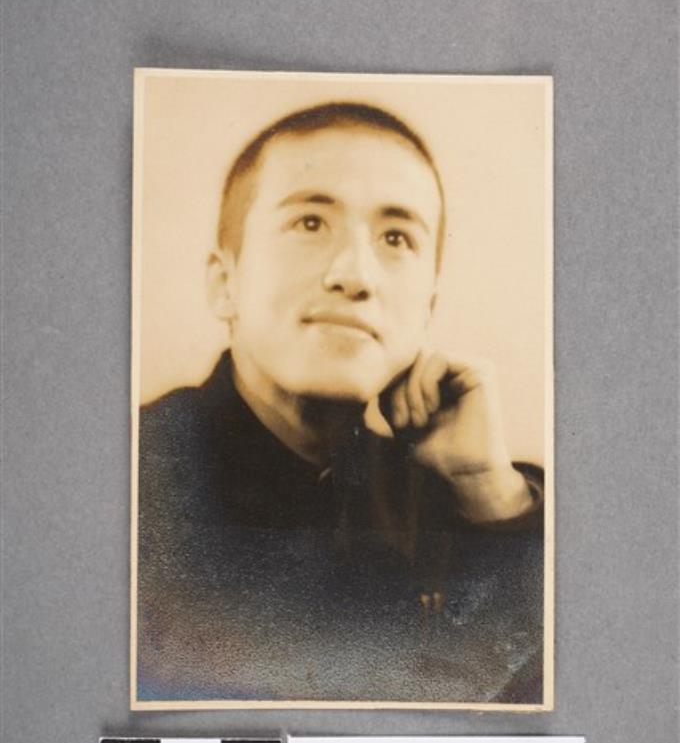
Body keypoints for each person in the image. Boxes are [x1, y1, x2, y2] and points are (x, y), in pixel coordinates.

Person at [137, 102, 544, 704]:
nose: (356, 276)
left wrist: (489, 494)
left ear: (426, 310)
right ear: (225, 284)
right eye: (310, 223)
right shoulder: (135, 480)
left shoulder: (464, 501)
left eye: (396, 238)